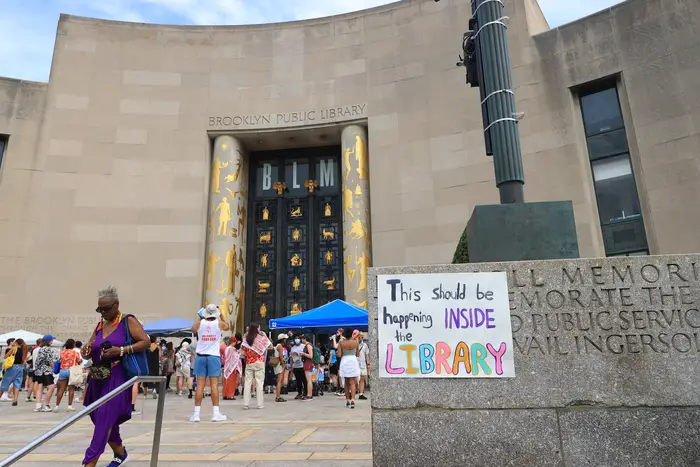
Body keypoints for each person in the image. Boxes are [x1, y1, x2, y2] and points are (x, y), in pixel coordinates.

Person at [81, 285, 150, 467]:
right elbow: (91, 345)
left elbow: (145, 341)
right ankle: (120, 453)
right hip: (97, 378)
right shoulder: (100, 324)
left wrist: (121, 350)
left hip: (117, 377)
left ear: (116, 305)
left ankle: (89, 463)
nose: (102, 313)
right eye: (99, 309)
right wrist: (86, 351)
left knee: (104, 421)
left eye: (106, 308)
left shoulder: (128, 321)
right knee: (99, 419)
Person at [190, 304, 229, 422]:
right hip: (213, 356)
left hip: (201, 357)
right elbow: (227, 326)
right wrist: (221, 313)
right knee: (214, 385)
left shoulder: (199, 323)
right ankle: (215, 413)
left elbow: (193, 329)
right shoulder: (219, 323)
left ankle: (196, 414)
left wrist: (200, 315)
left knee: (200, 386)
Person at [240, 324, 271, 409]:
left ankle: (246, 404)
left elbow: (242, 352)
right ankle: (259, 404)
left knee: (247, 383)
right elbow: (271, 346)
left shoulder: (246, 339)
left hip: (249, 363)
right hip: (259, 362)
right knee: (259, 383)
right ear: (258, 329)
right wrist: (265, 336)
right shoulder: (262, 338)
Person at [54, 338, 82, 412]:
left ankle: (57, 406)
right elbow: (79, 361)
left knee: (61, 389)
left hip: (63, 371)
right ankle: (69, 406)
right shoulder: (75, 352)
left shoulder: (62, 352)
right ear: (73, 345)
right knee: (71, 389)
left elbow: (59, 360)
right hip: (72, 371)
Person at [33, 336, 58, 412]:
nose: (52, 341)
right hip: (46, 371)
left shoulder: (40, 349)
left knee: (40, 388)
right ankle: (46, 405)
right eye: (51, 340)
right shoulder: (49, 349)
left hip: (38, 371)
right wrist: (54, 370)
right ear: (49, 341)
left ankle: (38, 405)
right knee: (51, 387)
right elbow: (51, 361)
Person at [337, 328, 361, 409]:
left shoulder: (341, 343)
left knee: (346, 382)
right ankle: (353, 400)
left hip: (345, 361)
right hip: (353, 360)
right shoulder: (356, 342)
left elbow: (339, 355)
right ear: (351, 334)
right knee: (353, 382)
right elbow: (358, 354)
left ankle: (347, 400)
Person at [0, 338, 27, 406]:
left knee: (5, 383)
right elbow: (24, 360)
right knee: (17, 384)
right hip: (20, 368)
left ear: (17, 343)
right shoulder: (24, 350)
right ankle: (15, 400)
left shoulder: (14, 348)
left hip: (12, 367)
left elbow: (6, 356)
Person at [272, 334, 288, 403]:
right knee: (279, 381)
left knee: (279, 381)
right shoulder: (280, 346)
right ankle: (278, 397)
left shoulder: (277, 346)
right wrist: (284, 365)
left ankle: (277, 396)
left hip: (276, 364)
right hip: (279, 365)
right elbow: (281, 357)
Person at [300, 335, 315, 401]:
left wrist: (303, 353)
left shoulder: (308, 345)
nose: (301, 340)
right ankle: (309, 394)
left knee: (309, 380)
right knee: (308, 380)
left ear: (305, 339)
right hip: (307, 363)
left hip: (308, 363)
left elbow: (311, 356)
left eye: (302, 339)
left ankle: (309, 395)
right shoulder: (307, 345)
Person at [358, 334, 370, 400]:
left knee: (362, 379)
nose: (360, 338)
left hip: (362, 364)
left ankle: (361, 394)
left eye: (361, 337)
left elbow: (366, 355)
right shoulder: (354, 345)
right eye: (359, 337)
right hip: (355, 364)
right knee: (354, 379)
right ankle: (352, 392)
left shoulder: (365, 345)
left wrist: (368, 364)